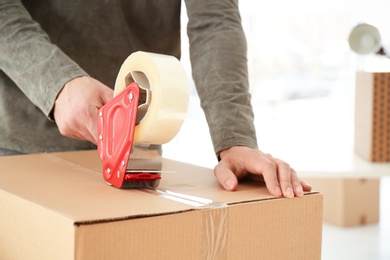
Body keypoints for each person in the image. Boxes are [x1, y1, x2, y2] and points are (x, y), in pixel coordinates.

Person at [0, 0, 311, 198]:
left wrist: (236, 140)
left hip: (138, 143)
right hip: (19, 143)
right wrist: (55, 81)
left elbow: (214, 20)